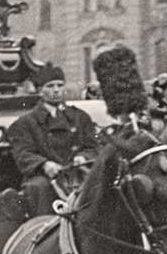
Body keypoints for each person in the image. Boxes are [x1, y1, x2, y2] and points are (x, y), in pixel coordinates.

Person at [6, 63, 98, 217]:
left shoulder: (80, 117)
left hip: (76, 174)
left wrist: (83, 157)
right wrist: (44, 164)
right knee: (38, 187)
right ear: (39, 90)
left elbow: (93, 146)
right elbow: (23, 153)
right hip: (45, 177)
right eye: (50, 86)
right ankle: (44, 231)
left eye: (60, 85)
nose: (56, 90)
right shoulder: (26, 123)